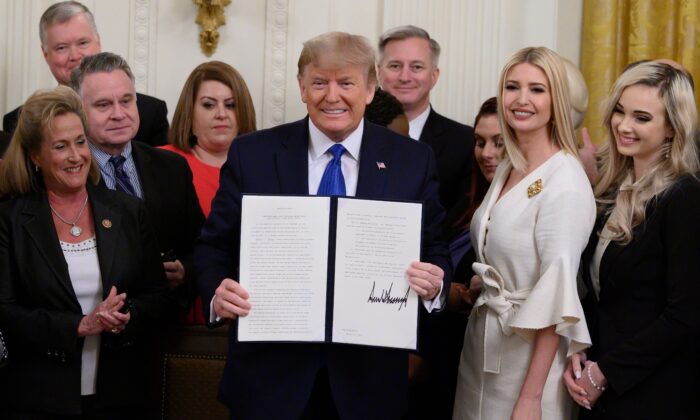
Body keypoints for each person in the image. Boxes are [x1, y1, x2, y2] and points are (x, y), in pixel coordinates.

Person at [195, 31, 451, 420]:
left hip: (369, 387)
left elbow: (436, 251)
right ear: (301, 87)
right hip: (269, 383)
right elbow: (212, 247)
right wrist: (217, 292)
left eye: (346, 82)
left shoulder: (412, 161)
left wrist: (435, 286)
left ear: (369, 89)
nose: (332, 96)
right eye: (319, 82)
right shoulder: (254, 154)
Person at [0, 86, 169, 417]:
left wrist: (127, 314)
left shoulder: (127, 211)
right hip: (38, 396)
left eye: (80, 142)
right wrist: (79, 325)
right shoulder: (11, 220)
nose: (76, 156)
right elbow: (5, 311)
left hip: (120, 392)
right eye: (61, 146)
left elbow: (158, 295)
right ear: (36, 156)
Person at [453, 46, 595, 420]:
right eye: (512, 87)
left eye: (537, 89)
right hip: (482, 346)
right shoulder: (509, 165)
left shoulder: (565, 180)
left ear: (556, 100)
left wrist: (531, 397)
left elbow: (557, 294)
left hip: (530, 362)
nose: (521, 99)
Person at [563, 62, 700, 419]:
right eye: (620, 112)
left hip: (656, 392)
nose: (624, 125)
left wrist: (606, 371)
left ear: (672, 126)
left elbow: (685, 315)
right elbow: (601, 293)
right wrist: (579, 348)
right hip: (601, 386)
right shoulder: (612, 189)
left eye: (641, 118)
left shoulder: (685, 196)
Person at [70, 52, 204, 300]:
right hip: (92, 316)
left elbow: (201, 245)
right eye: (103, 105)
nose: (119, 114)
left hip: (162, 324)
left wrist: (184, 270)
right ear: (79, 111)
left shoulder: (172, 168)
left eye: (126, 100)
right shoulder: (68, 172)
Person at [163, 60, 256, 323]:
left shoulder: (264, 169)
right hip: (177, 315)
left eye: (230, 105)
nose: (221, 114)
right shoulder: (163, 164)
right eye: (208, 105)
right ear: (189, 113)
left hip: (247, 313)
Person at [2, 1, 169, 147]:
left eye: (83, 43)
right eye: (61, 47)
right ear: (45, 54)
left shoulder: (151, 113)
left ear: (98, 41)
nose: (75, 56)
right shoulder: (20, 121)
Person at [377, 25, 474, 215]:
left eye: (417, 67)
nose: (405, 77)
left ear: (434, 76)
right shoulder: (349, 132)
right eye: (395, 66)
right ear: (379, 73)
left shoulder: (465, 142)